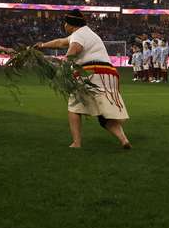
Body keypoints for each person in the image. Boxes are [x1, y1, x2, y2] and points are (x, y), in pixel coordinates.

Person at [32, 10, 130, 148]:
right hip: (109, 74)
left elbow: (75, 47)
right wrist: (43, 45)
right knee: (104, 117)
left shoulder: (78, 35)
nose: (64, 25)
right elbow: (61, 42)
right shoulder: (88, 33)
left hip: (92, 73)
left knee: (74, 107)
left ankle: (76, 142)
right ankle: (124, 139)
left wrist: (64, 65)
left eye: (66, 23)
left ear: (71, 24)